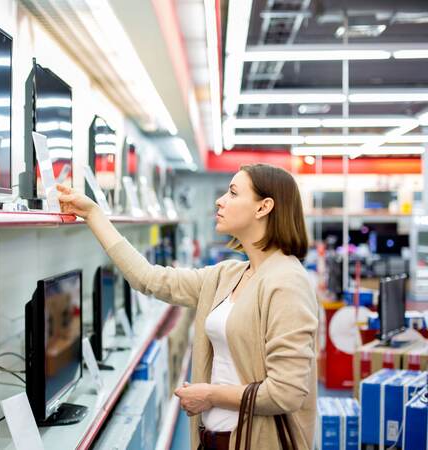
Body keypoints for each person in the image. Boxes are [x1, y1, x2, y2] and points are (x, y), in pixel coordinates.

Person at [57, 163, 317, 450]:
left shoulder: (287, 283)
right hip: (213, 439)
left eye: (232, 193)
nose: (220, 200)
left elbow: (286, 393)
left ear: (263, 207)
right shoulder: (228, 275)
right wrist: (94, 215)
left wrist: (210, 396)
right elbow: (150, 279)